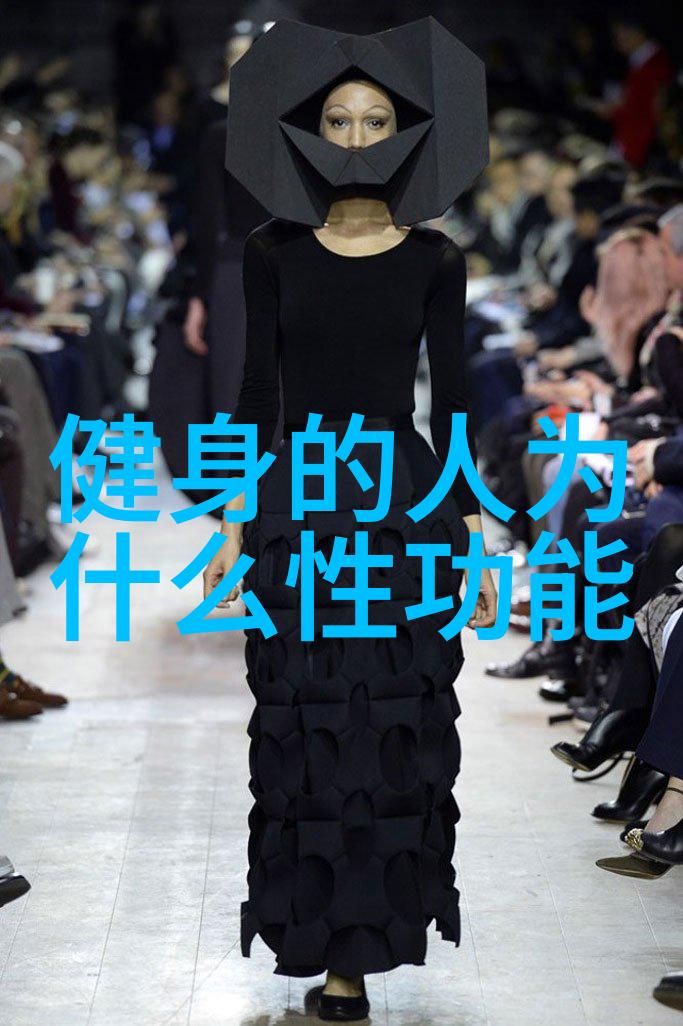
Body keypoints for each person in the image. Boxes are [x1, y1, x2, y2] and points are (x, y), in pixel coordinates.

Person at [200, 18, 498, 1023]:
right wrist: (232, 523)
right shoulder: (271, 251)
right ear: (307, 130)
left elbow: (453, 407)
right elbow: (256, 394)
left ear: (407, 135)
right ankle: (323, 942)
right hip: (297, 505)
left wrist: (474, 537)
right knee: (304, 721)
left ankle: (360, 955)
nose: (358, 136)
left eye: (376, 120)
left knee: (390, 727)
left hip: (403, 509)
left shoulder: (436, 259)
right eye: (339, 119)